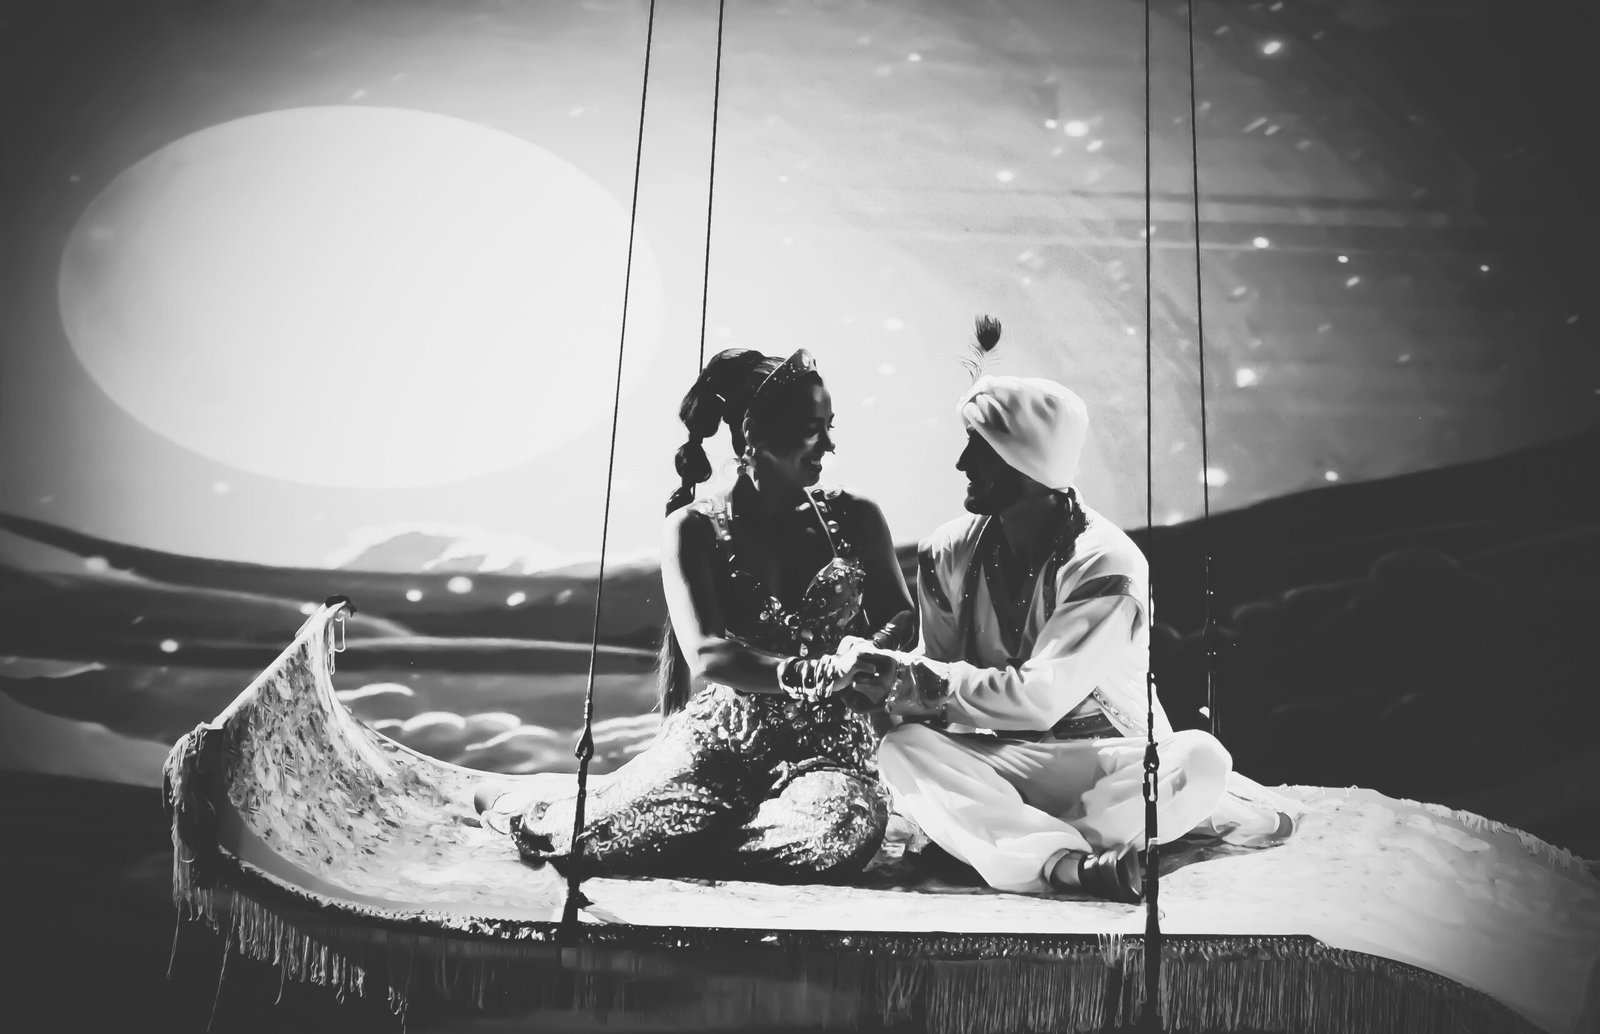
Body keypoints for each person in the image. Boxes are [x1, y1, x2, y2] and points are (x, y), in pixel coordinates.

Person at [850, 332, 1292, 902]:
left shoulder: (1106, 562)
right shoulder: (947, 550)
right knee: (904, 747)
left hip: (1104, 768)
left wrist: (911, 683)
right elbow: (935, 685)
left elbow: (1041, 698)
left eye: (978, 450)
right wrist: (883, 686)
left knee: (1201, 762)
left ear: (1023, 462)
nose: (961, 463)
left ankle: (1003, 841)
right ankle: (1067, 865)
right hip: (1004, 762)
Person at [484, 347, 915, 883]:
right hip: (724, 745)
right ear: (753, 433)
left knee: (837, 835)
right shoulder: (693, 528)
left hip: (829, 751)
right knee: (587, 839)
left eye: (829, 427)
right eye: (812, 429)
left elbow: (901, 614)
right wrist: (822, 672)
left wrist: (869, 653)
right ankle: (514, 805)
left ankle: (681, 839)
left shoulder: (857, 517)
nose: (828, 444)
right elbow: (708, 654)